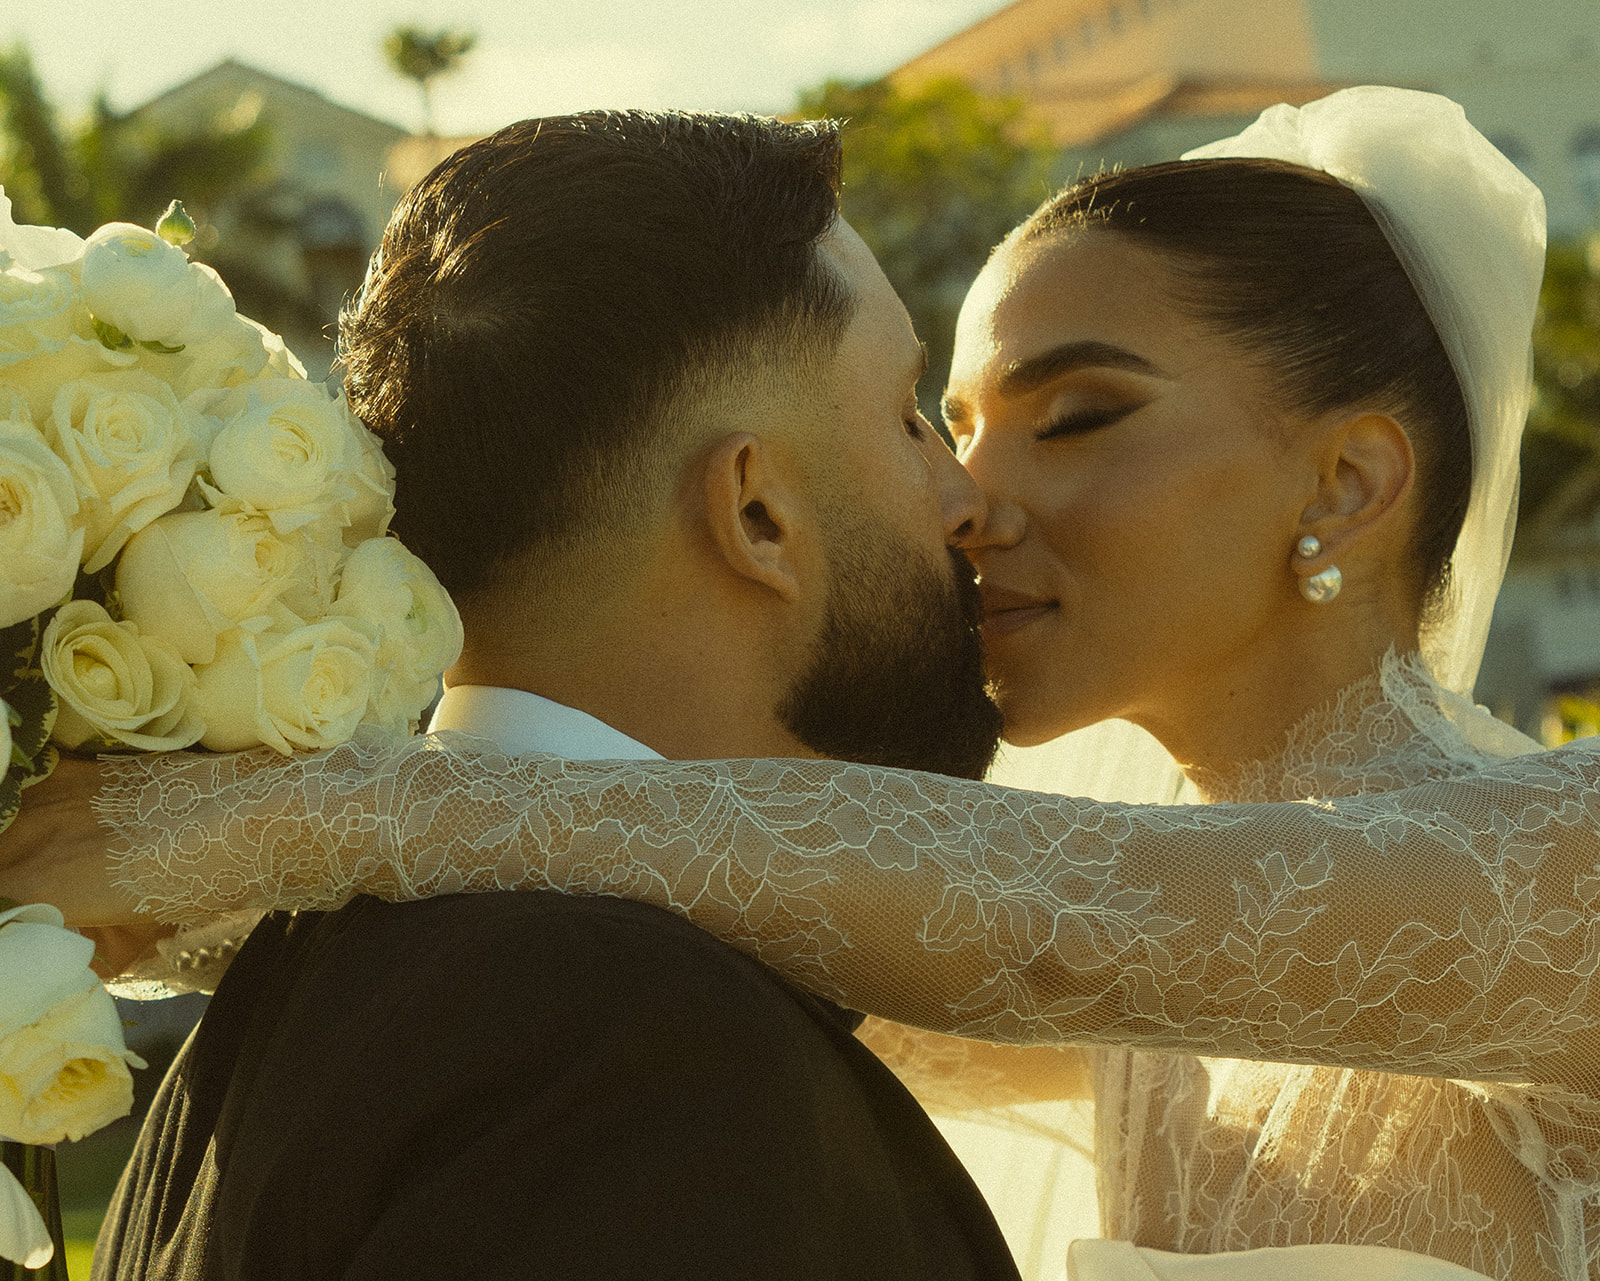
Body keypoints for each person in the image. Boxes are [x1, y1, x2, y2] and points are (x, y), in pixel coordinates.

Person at [5, 87, 1592, 1279]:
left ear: (1353, 480)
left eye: (1082, 415)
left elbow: (1056, 929)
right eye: (941, 424)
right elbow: (724, 924)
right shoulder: (871, 952)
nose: (977, 501)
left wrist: (332, 812)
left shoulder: (1561, 867)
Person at [84, 110, 1024, 1281]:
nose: (966, 495)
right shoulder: (643, 1057)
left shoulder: (299, 977)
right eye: (905, 415)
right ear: (756, 515)